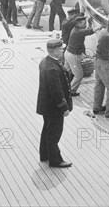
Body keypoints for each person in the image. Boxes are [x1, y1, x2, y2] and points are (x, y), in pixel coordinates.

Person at [36, 38, 73, 168]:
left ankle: (45, 154)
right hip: (54, 107)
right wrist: (64, 107)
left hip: (46, 105)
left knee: (47, 129)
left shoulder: (45, 62)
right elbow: (56, 91)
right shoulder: (52, 68)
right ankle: (55, 160)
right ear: (56, 50)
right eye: (61, 48)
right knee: (54, 133)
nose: (63, 50)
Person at [64, 15, 101, 97]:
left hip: (68, 53)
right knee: (79, 75)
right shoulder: (78, 32)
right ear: (79, 23)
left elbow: (87, 30)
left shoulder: (76, 28)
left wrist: (90, 22)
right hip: (73, 56)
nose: (85, 25)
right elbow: (89, 32)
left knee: (65, 72)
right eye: (84, 23)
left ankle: (63, 88)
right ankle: (70, 91)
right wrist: (101, 25)